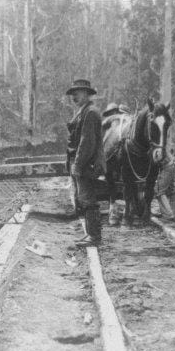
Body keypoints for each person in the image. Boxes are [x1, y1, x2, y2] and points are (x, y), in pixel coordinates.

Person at [65, 79, 105, 247]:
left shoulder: (90, 113)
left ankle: (94, 237)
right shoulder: (84, 111)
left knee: (88, 199)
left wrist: (78, 165)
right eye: (73, 93)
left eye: (78, 92)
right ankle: (91, 234)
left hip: (87, 164)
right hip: (83, 162)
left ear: (87, 94)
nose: (74, 96)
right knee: (84, 198)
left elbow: (86, 142)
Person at [155, 148, 175, 220]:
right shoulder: (161, 145)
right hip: (172, 166)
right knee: (171, 190)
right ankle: (174, 213)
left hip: (168, 167)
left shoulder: (156, 147)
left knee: (159, 191)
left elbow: (158, 159)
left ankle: (168, 214)